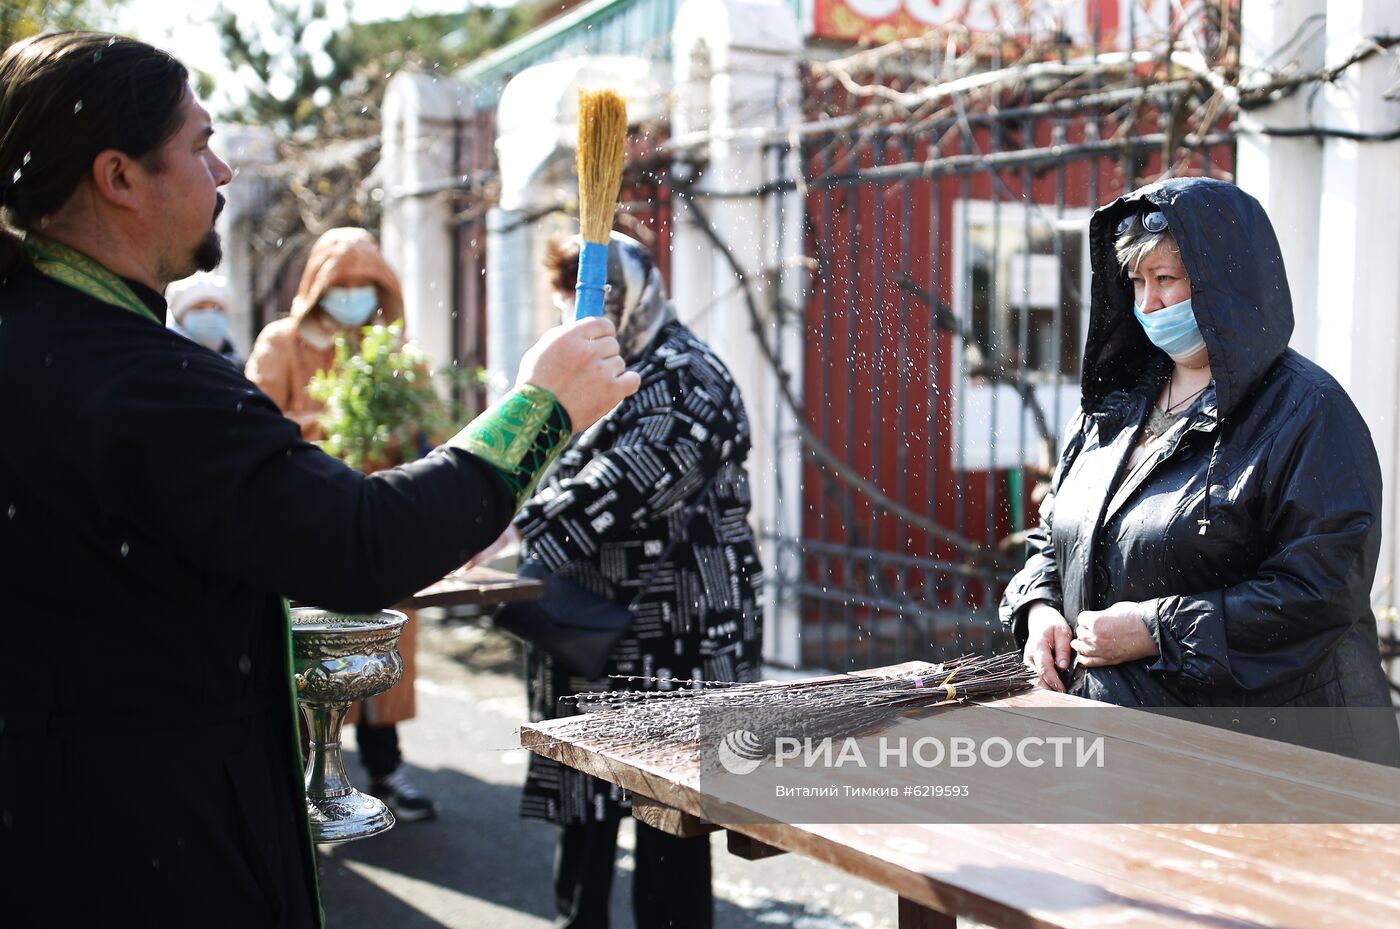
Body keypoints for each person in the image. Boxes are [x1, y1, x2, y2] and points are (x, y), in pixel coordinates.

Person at [0, 32, 638, 929]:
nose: (221, 170)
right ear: (119, 176)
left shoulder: (41, 336)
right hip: (140, 842)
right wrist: (543, 406)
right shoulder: (139, 381)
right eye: (197, 144)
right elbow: (361, 542)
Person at [999, 177, 1399, 763]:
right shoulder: (1119, 405)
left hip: (1275, 760)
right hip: (1128, 744)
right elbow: (1054, 535)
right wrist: (1039, 610)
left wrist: (1157, 629)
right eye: (1137, 282)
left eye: (1166, 280)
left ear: (1224, 283)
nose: (1148, 305)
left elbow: (1321, 590)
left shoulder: (1306, 412)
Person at [512, 232, 764, 929]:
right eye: (568, 298)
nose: (576, 313)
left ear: (627, 294)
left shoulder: (689, 373)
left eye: (589, 296)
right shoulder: (588, 371)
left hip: (676, 635)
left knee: (667, 828)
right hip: (587, 629)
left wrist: (510, 529)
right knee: (585, 819)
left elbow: (621, 485)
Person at [246, 228, 435, 821]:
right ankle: (307, 780)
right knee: (312, 652)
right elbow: (251, 425)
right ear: (317, 287)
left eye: (364, 285)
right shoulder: (282, 344)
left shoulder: (393, 354)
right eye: (341, 284)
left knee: (382, 644)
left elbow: (429, 436)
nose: (352, 295)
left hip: (379, 529)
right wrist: (321, 432)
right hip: (303, 531)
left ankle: (386, 767)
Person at [166, 270, 242, 366]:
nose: (210, 314)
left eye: (217, 308)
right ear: (179, 317)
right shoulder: (167, 361)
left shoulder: (238, 366)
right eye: (199, 308)